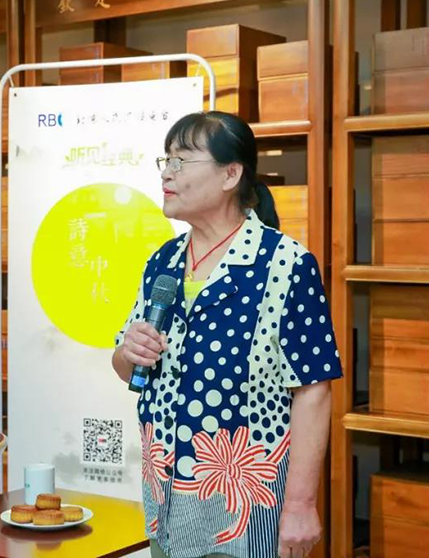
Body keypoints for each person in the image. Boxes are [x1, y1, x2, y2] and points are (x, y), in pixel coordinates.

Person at [112, 111, 342, 558]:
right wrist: (128, 351)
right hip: (165, 501)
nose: (166, 173)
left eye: (181, 161)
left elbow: (313, 390)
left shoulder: (285, 264)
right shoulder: (162, 261)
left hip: (245, 509)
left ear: (230, 175)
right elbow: (125, 367)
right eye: (166, 160)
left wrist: (300, 504)